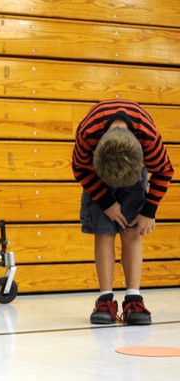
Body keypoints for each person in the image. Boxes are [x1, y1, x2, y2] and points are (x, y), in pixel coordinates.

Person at [72, 99, 174, 326]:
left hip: (133, 174)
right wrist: (105, 201)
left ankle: (133, 298)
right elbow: (79, 167)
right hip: (98, 176)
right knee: (104, 231)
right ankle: (105, 299)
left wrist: (149, 211)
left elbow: (165, 171)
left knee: (132, 231)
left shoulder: (148, 137)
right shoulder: (88, 134)